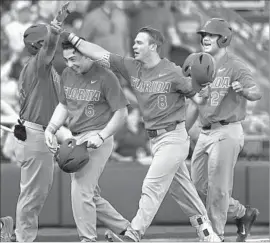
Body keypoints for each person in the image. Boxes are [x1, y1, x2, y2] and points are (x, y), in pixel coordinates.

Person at [56, 22, 221, 242]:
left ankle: (133, 234)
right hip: (157, 139)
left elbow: (197, 101)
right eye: (134, 41)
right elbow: (99, 53)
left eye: (139, 42)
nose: (134, 45)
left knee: (151, 185)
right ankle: (207, 231)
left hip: (173, 136)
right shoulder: (131, 66)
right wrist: (71, 37)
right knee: (180, 188)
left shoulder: (172, 71)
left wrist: (185, 125)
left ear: (153, 46)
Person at [44, 39, 131, 242]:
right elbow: (64, 105)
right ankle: (126, 230)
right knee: (89, 194)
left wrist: (101, 136)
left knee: (80, 189)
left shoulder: (106, 76)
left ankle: (88, 238)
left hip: (97, 135)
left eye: (73, 59)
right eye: (66, 60)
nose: (69, 64)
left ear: (87, 54)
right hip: (76, 137)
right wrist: (51, 127)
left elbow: (122, 113)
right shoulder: (67, 74)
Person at [0, 3, 71, 242]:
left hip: (38, 134)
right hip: (35, 134)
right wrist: (56, 25)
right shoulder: (39, 66)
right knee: (33, 194)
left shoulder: (45, 69)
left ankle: (14, 233)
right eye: (47, 41)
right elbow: (51, 45)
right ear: (39, 45)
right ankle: (21, 238)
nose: (54, 45)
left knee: (34, 192)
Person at [186, 18, 261, 242]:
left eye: (212, 35)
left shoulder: (235, 65)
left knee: (218, 189)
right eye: (204, 35)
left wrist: (245, 91)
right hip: (204, 131)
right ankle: (242, 213)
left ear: (224, 38)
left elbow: (256, 92)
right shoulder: (199, 64)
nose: (206, 38)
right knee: (198, 186)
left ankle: (214, 236)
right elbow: (194, 102)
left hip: (227, 130)